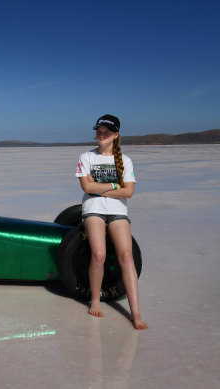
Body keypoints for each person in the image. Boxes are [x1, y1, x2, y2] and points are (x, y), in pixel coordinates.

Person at [75, 114, 148, 330]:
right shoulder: (86, 157)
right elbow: (87, 189)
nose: (101, 135)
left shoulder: (125, 161)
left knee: (127, 257)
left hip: (118, 212)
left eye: (106, 132)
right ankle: (95, 300)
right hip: (93, 210)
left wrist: (102, 187)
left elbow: (130, 192)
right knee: (99, 254)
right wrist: (115, 186)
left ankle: (135, 313)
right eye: (98, 131)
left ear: (115, 135)